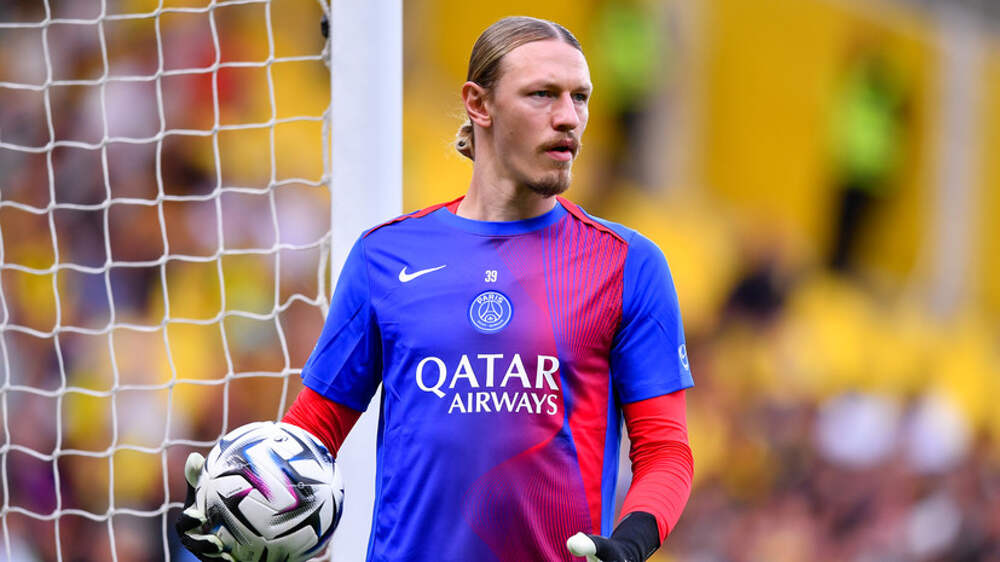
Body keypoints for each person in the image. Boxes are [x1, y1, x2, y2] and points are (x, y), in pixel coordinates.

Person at [178, 16, 694, 562]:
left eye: (580, 97)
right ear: (479, 104)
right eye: (543, 94)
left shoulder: (626, 264)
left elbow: (666, 451)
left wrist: (632, 542)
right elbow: (315, 431)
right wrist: (237, 499)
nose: (568, 117)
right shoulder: (385, 257)